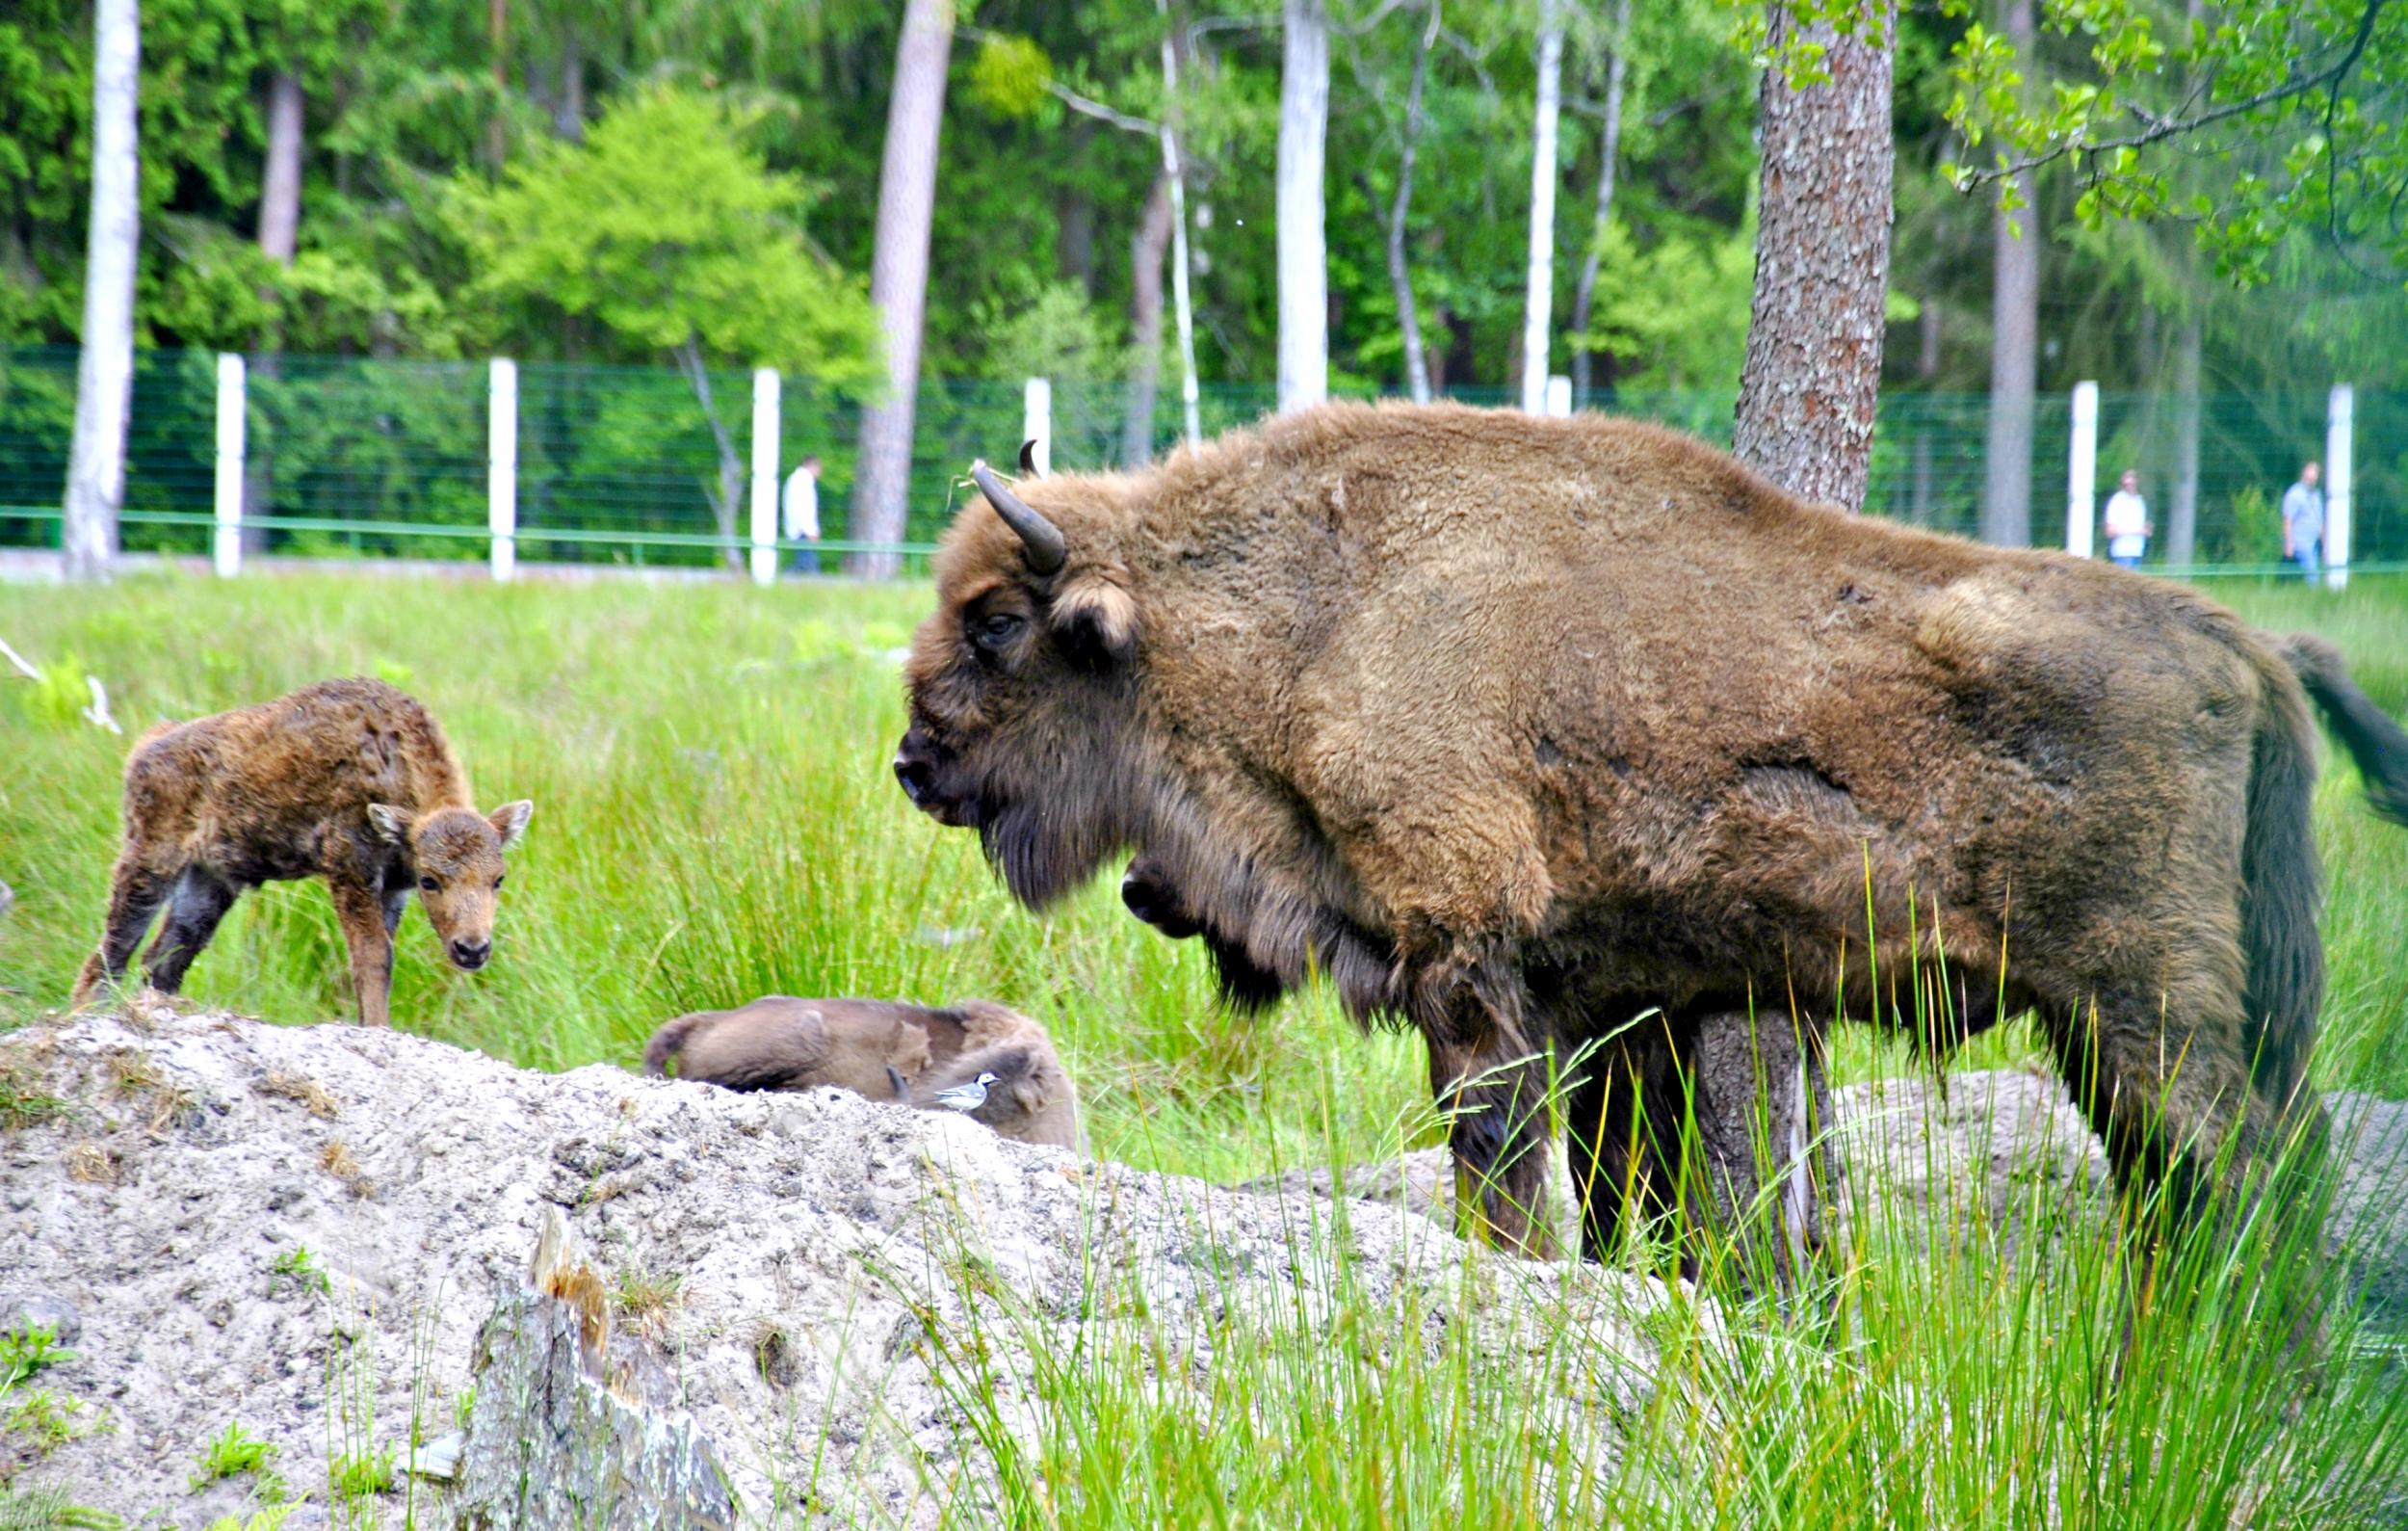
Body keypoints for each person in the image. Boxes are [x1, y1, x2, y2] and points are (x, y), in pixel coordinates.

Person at [2282, 460, 2324, 582]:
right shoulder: (2294, 494)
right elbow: (2287, 520)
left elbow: (2319, 521)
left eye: (2316, 472)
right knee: (2312, 577)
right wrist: (2288, 544)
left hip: (2314, 544)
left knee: (2313, 574)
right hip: (2300, 544)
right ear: (2304, 473)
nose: (2313, 475)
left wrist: (2324, 544)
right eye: (2310, 471)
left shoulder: (2316, 495)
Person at [2102, 467, 2152, 568]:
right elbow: (2110, 531)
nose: (2129, 484)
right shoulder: (2117, 501)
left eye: (2132, 480)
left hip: (2138, 552)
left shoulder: (2139, 501)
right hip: (2122, 553)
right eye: (2127, 481)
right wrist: (2137, 531)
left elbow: (2143, 527)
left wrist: (2146, 530)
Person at [781, 455, 823, 574]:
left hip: (797, 527)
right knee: (807, 565)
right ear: (812, 466)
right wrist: (811, 531)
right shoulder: (804, 481)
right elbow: (806, 508)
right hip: (803, 530)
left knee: (804, 563)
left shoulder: (795, 479)